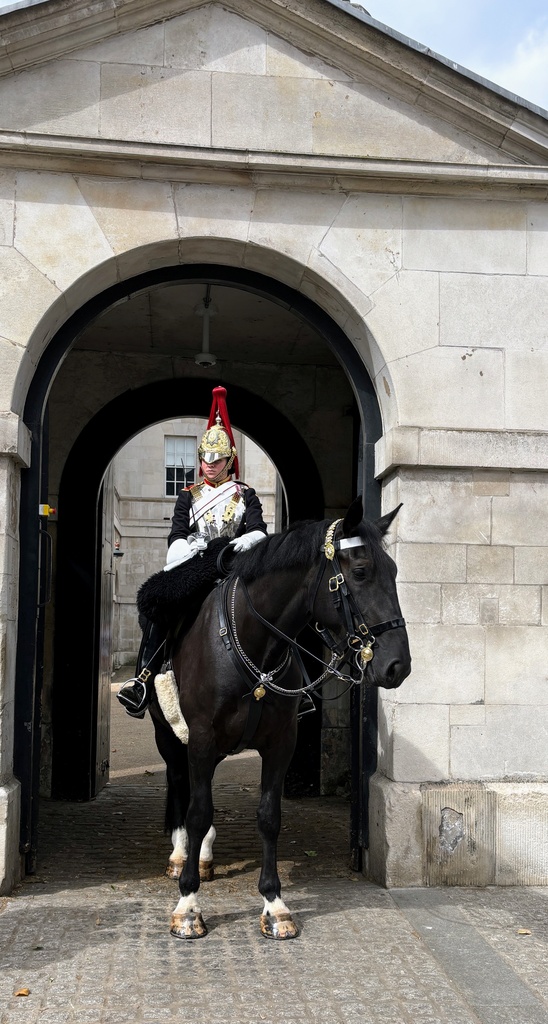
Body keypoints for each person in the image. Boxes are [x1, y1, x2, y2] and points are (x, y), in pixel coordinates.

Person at [117, 386, 268, 717]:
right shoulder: (188, 495)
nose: (209, 465)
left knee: (277, 601)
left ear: (230, 460)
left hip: (234, 562)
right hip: (197, 563)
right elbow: (177, 532)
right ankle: (143, 679)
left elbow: (259, 530)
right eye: (205, 459)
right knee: (157, 598)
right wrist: (185, 548)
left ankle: (294, 689)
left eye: (217, 460)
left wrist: (239, 544)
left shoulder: (246, 494)